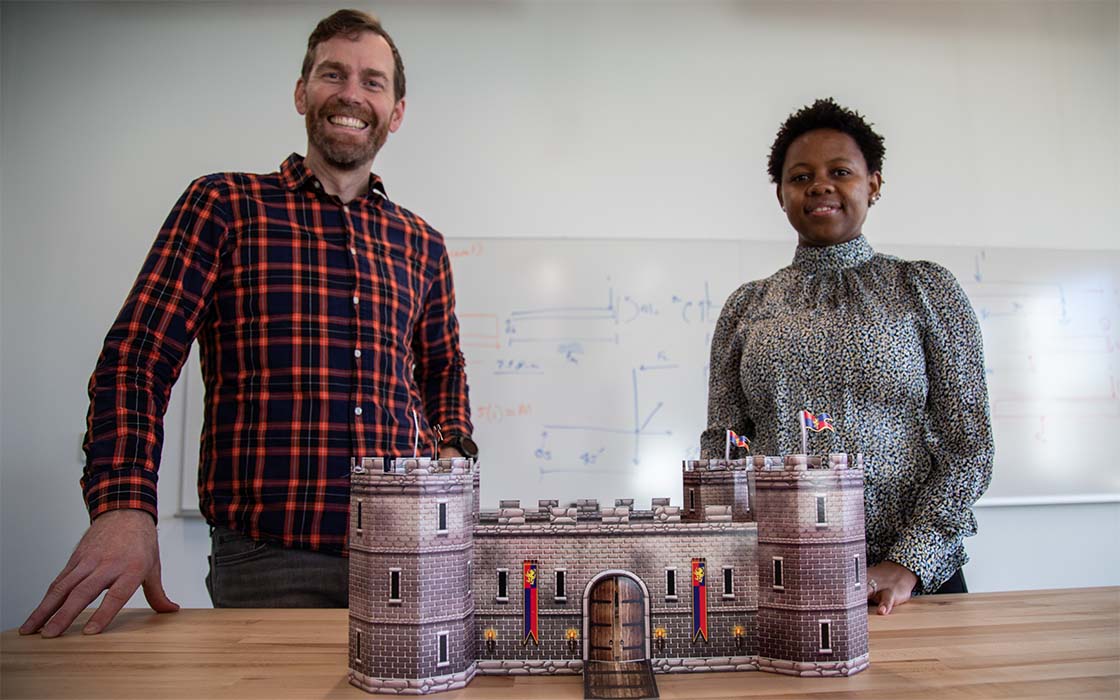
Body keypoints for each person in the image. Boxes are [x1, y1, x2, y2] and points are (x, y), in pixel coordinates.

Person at [21, 9, 475, 638]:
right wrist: (124, 507)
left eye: (373, 82)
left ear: (396, 110)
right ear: (301, 92)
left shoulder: (422, 244)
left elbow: (443, 367)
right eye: (332, 74)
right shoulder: (225, 206)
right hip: (269, 559)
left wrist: (451, 454)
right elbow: (137, 358)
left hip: (410, 550)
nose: (351, 93)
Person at [701, 98, 993, 615]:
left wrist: (910, 562)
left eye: (840, 171)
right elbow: (725, 445)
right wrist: (731, 553)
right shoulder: (747, 306)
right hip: (783, 576)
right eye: (800, 176)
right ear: (781, 194)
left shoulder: (923, 289)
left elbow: (968, 446)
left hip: (909, 585)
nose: (820, 185)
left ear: (873, 184)